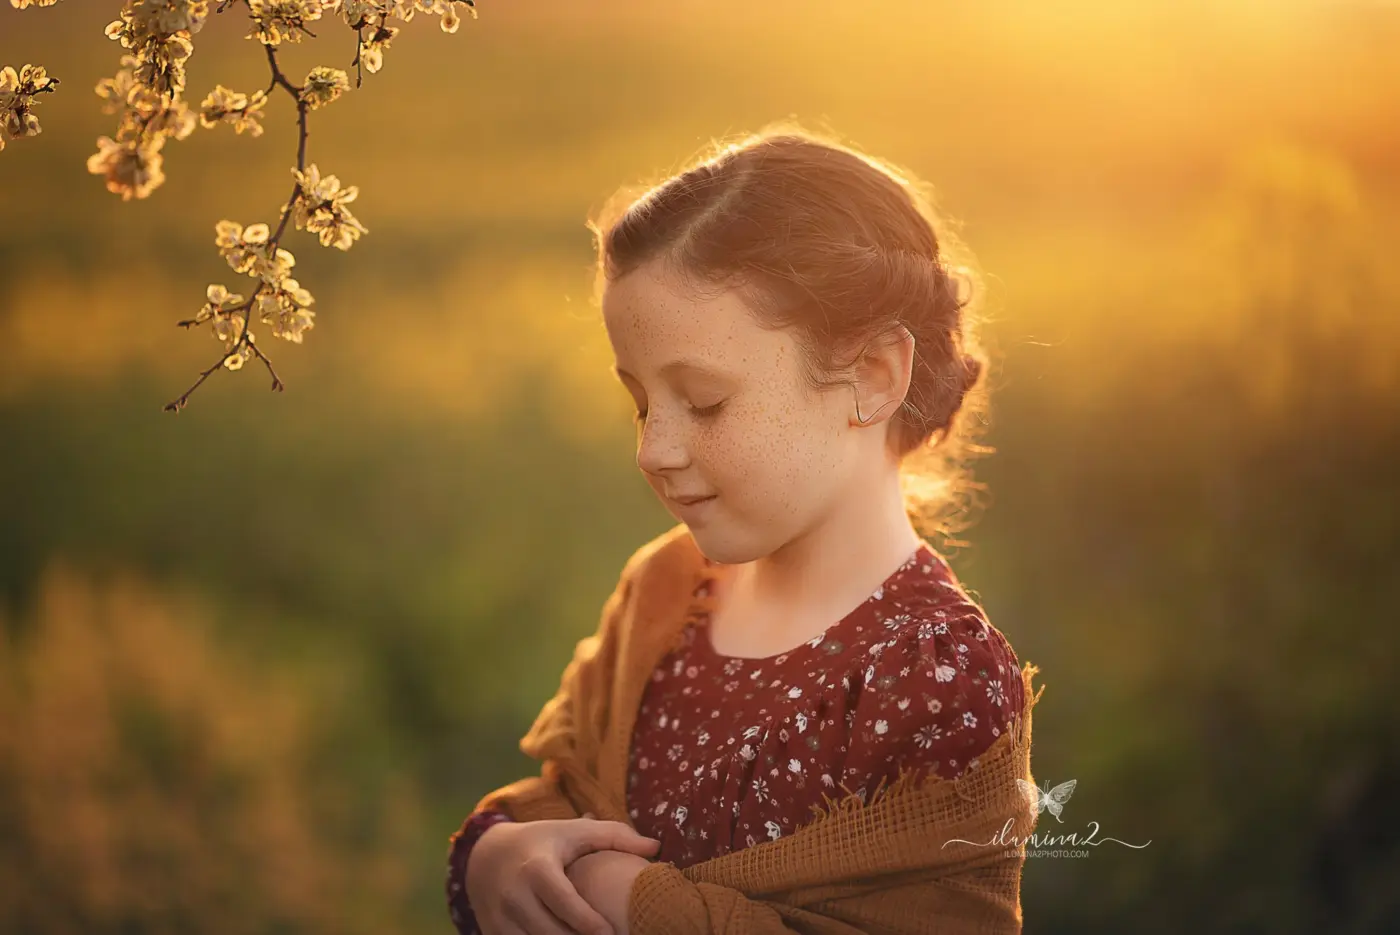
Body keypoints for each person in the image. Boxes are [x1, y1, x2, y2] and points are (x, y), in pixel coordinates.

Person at [446, 122, 1031, 935]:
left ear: (872, 375)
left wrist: (634, 902)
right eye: (642, 401)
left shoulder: (937, 676)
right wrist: (495, 855)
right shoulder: (665, 591)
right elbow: (558, 795)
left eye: (706, 401)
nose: (652, 449)